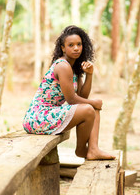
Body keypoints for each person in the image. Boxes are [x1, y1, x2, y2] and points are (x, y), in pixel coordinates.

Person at [23, 25, 115, 160]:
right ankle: (81, 149)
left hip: (52, 112)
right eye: (71, 45)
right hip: (38, 117)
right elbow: (72, 99)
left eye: (79, 44)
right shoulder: (63, 66)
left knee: (92, 109)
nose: (76, 48)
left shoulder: (73, 67)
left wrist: (89, 75)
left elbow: (82, 97)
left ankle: (93, 150)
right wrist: (93, 102)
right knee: (90, 108)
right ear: (63, 48)